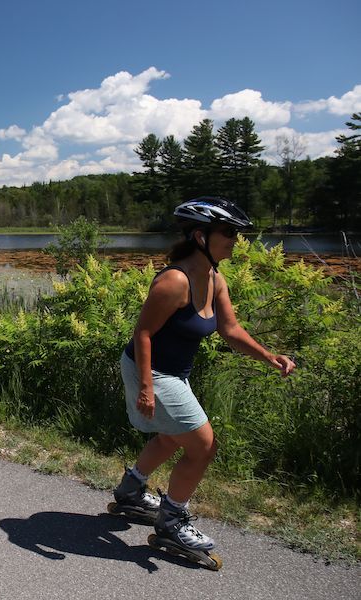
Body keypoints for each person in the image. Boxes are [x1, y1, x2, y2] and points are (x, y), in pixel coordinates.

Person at [110, 197, 295, 566]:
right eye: (228, 232)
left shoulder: (215, 278)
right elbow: (143, 333)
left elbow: (230, 330)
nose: (234, 240)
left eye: (236, 233)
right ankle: (172, 520)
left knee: (170, 436)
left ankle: (130, 491)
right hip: (151, 370)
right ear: (200, 236)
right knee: (203, 446)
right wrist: (146, 387)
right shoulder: (174, 281)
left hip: (174, 372)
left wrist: (268, 356)